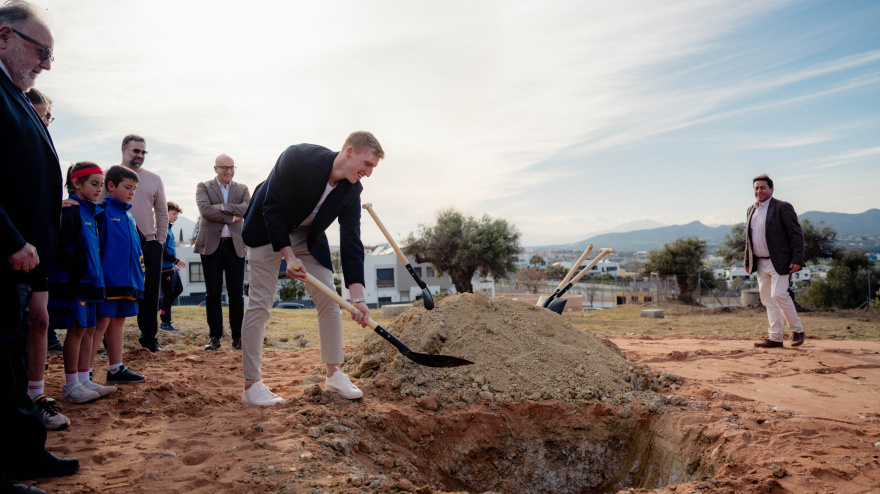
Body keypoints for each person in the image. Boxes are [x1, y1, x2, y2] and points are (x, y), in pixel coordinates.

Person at [239, 131, 384, 406]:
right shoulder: (298, 157)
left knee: (330, 299)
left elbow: (351, 241)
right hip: (266, 230)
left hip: (307, 237)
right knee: (260, 303)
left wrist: (358, 298)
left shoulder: (352, 189)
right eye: (367, 165)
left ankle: (334, 374)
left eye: (373, 168)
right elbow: (272, 208)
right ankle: (251, 386)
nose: (368, 173)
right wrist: (288, 256)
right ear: (349, 152)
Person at [0, 0, 79, 488]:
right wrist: (9, 238)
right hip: (7, 250)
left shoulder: (13, 95)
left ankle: (25, 456)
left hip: (22, 263)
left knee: (9, 359)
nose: (47, 65)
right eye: (41, 51)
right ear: (3, 37)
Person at [48, 162, 116, 406]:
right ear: (76, 184)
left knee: (89, 330)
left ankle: (83, 378)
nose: (99, 189)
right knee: (77, 331)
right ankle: (70, 385)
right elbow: (62, 246)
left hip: (93, 283)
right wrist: (81, 266)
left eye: (101, 184)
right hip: (77, 283)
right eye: (94, 184)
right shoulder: (70, 211)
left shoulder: (91, 211)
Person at [93, 165, 147, 384]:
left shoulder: (129, 216)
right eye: (128, 187)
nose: (132, 192)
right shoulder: (100, 212)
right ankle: (84, 372)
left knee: (118, 321)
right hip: (107, 281)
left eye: (134, 188)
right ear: (111, 186)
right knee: (100, 323)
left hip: (128, 282)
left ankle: (116, 368)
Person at [115, 134, 168, 353]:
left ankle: (149, 339)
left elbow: (162, 212)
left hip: (148, 243)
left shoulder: (154, 179)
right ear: (123, 150)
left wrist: (160, 241)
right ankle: (110, 344)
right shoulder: (111, 175)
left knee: (150, 294)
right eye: (136, 151)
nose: (139, 155)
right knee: (114, 292)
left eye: (143, 152)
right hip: (117, 243)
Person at [194, 154, 250, 351]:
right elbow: (205, 211)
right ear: (215, 168)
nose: (228, 171)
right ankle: (214, 337)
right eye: (224, 167)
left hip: (235, 246)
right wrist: (232, 216)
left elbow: (246, 209)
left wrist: (223, 207)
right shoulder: (204, 187)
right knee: (213, 294)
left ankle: (238, 337)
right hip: (211, 246)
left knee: (237, 295)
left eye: (232, 167)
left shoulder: (242, 189)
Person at [744, 174, 806, 348]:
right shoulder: (751, 210)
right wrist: (747, 260)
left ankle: (798, 330)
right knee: (767, 300)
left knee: (778, 295)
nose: (759, 191)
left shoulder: (783, 207)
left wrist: (797, 259)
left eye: (763, 187)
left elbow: (796, 234)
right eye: (756, 188)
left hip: (780, 261)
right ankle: (776, 338)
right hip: (760, 262)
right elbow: (749, 238)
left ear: (771, 189)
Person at [159, 201, 186, 332]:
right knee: (168, 296)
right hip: (165, 270)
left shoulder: (169, 228)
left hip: (172, 268)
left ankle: (161, 304)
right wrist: (176, 260)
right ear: (165, 212)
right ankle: (165, 323)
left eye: (177, 214)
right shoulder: (162, 228)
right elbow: (161, 251)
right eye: (173, 213)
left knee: (178, 290)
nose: (176, 216)